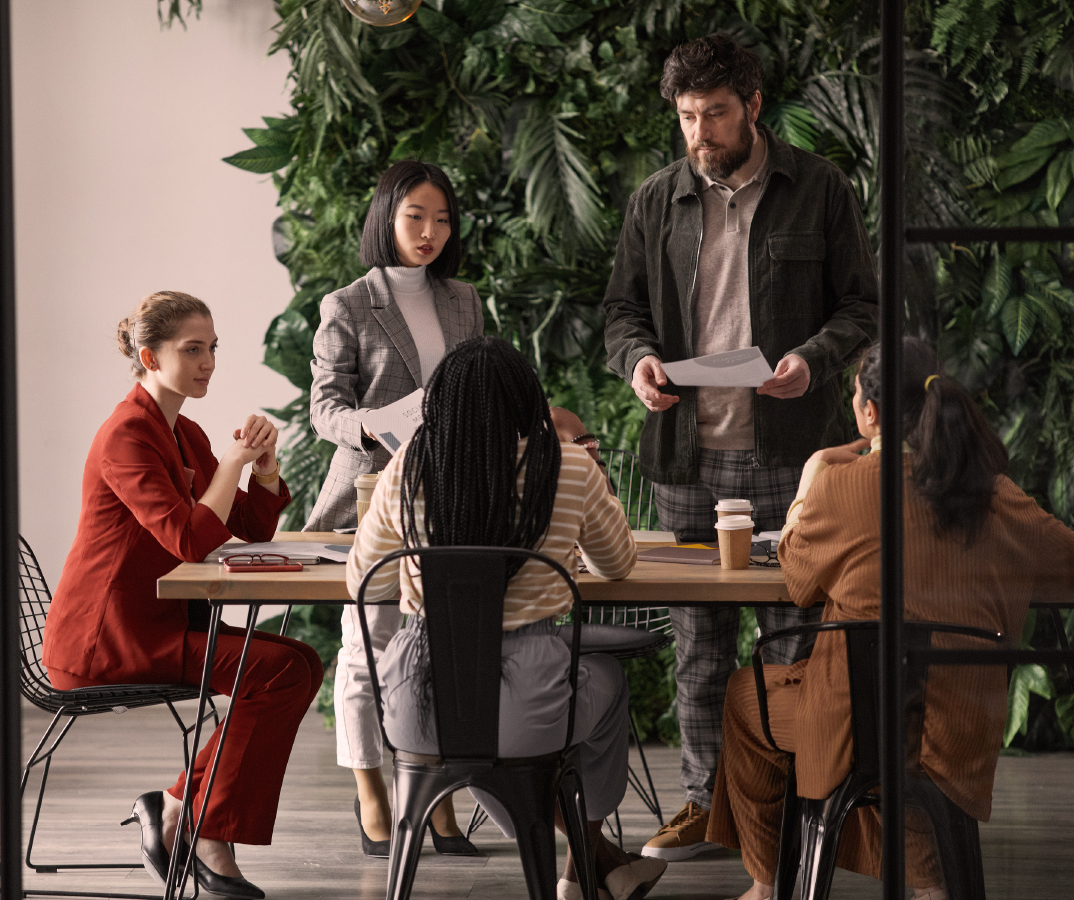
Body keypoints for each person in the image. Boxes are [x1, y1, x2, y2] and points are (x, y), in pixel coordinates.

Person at [600, 31, 879, 860]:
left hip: (797, 457)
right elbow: (621, 312)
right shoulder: (658, 199)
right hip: (688, 455)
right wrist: (637, 362)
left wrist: (813, 359)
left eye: (715, 114)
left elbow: (861, 307)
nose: (699, 134)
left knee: (794, 638)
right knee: (699, 643)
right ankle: (702, 805)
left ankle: (789, 808)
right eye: (686, 117)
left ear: (753, 107)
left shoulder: (819, 188)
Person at [707, 336, 1074, 900]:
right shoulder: (996, 495)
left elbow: (800, 582)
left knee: (744, 695)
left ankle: (767, 884)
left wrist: (809, 481)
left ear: (869, 412)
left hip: (857, 730)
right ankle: (924, 875)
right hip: (958, 731)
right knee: (892, 733)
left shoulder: (841, 486)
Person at [347, 336, 668, 900]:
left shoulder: (409, 464)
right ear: (527, 401)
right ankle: (585, 862)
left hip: (418, 706)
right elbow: (617, 565)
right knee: (604, 685)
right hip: (529, 698)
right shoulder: (567, 465)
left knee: (484, 747)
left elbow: (361, 578)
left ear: (438, 404)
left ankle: (595, 865)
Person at [42, 291, 324, 900]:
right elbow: (190, 540)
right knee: (275, 672)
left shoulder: (181, 429)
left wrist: (264, 469)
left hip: (159, 620)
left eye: (213, 348)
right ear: (149, 355)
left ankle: (175, 805)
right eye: (192, 349)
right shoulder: (128, 434)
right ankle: (206, 831)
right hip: (109, 637)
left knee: (299, 663)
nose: (208, 362)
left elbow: (247, 524)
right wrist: (230, 465)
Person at [306, 160, 487, 856]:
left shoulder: (464, 300)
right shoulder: (348, 304)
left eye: (443, 219)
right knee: (366, 652)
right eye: (416, 215)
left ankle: (433, 794)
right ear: (386, 216)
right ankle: (372, 793)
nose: (431, 231)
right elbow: (325, 411)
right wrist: (381, 421)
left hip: (450, 497)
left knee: (439, 651)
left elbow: (477, 389)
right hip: (374, 497)